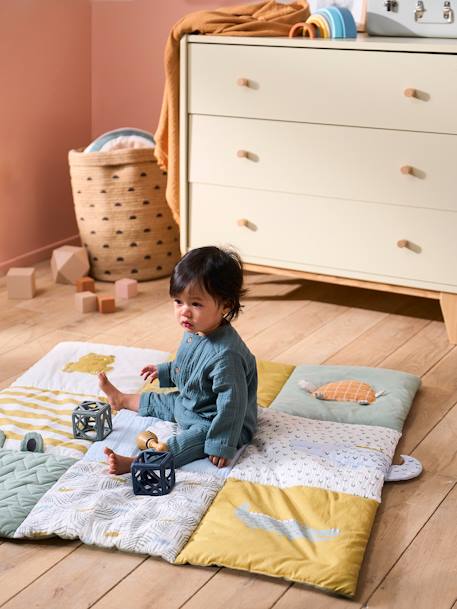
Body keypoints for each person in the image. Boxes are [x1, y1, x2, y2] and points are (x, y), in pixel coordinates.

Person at [99, 245, 258, 474]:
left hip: (219, 421)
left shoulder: (227, 355)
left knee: (192, 442)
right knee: (162, 401)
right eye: (178, 301)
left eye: (196, 304)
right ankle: (121, 399)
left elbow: (233, 404)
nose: (185, 311)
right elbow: (189, 367)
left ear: (225, 306)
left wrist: (222, 444)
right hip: (193, 402)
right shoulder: (195, 331)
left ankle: (137, 463)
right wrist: (164, 371)